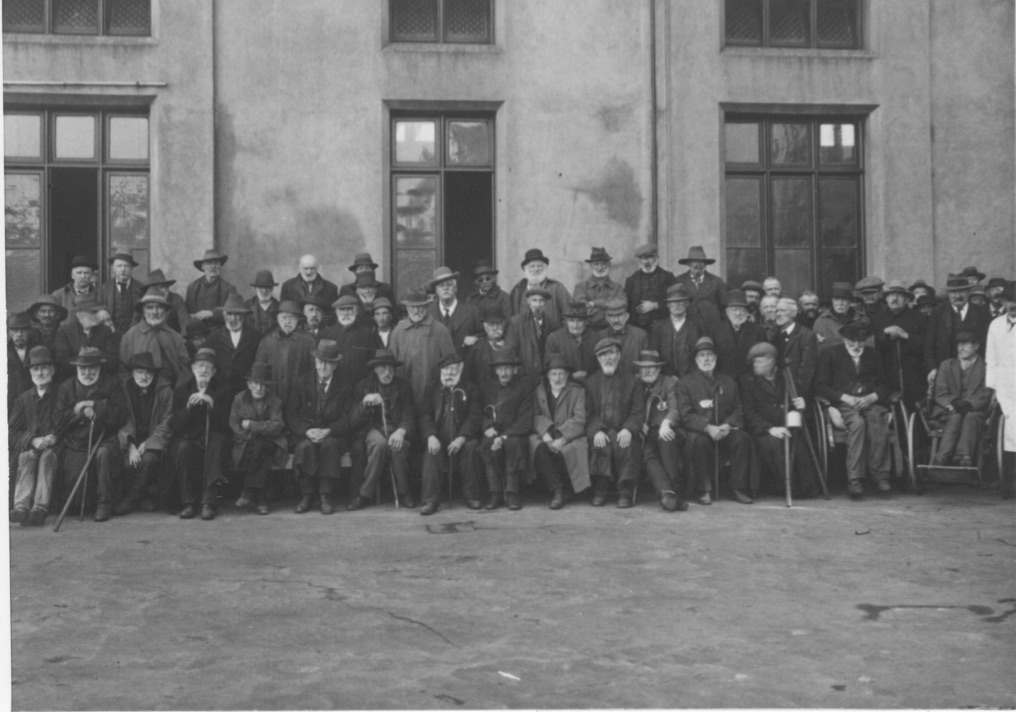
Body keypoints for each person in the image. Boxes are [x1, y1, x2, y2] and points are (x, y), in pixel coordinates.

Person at [814, 321, 892, 498]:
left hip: (869, 402)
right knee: (857, 424)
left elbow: (885, 384)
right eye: (852, 341)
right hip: (844, 403)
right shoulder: (830, 354)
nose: (857, 345)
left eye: (861, 341)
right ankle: (854, 478)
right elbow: (820, 385)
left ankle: (880, 476)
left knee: (877, 421)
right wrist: (844, 398)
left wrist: (872, 397)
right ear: (844, 339)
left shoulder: (873, 354)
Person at [677, 336, 755, 504]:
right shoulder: (686, 383)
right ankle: (703, 490)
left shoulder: (729, 382)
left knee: (742, 439)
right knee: (698, 442)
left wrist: (728, 425)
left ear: (716, 357)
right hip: (701, 431)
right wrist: (707, 427)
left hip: (724, 429)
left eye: (710, 355)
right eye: (702, 355)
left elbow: (738, 409)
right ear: (696, 359)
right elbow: (686, 414)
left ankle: (738, 488)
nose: (706, 359)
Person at [54, 347, 127, 522]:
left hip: (105, 437)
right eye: (83, 368)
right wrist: (78, 411)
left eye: (92, 368)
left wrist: (96, 405)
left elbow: (121, 415)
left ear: (99, 367)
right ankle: (81, 505)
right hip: (77, 441)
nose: (87, 373)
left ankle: (104, 504)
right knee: (75, 479)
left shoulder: (113, 384)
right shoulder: (66, 387)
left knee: (103, 454)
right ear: (77, 368)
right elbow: (58, 419)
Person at [740, 342, 819, 499]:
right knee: (774, 444)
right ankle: (787, 486)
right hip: (763, 430)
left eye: (759, 362)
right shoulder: (748, 381)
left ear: (771, 362)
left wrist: (801, 405)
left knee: (799, 444)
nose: (755, 365)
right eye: (754, 362)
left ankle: (807, 487)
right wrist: (770, 429)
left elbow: (798, 403)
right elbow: (749, 413)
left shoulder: (787, 377)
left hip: (787, 426)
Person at [285, 339, 353, 515]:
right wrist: (307, 431)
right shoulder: (301, 382)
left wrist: (329, 431)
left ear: (335, 366)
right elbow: (291, 415)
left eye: (328, 363)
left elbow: (347, 418)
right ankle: (306, 495)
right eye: (320, 362)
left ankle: (325, 496)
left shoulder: (344, 386)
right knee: (305, 447)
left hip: (332, 434)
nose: (323, 367)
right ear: (315, 362)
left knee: (330, 445)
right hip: (306, 434)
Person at [347, 349, 417, 510]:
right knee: (379, 445)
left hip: (397, 429)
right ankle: (364, 494)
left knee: (398, 447)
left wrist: (401, 431)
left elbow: (409, 415)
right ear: (375, 369)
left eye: (391, 368)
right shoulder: (363, 386)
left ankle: (404, 492)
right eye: (383, 368)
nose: (387, 373)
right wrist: (365, 402)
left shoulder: (404, 387)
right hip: (373, 429)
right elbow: (353, 421)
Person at [168, 348, 232, 520]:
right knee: (183, 448)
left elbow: (228, 424)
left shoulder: (224, 389)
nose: (204, 370)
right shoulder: (182, 390)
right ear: (193, 368)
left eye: (208, 366)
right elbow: (174, 425)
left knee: (216, 446)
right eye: (200, 365)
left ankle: (208, 503)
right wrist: (188, 408)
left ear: (214, 371)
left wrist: (212, 405)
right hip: (191, 438)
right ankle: (188, 502)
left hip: (216, 436)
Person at [418, 354, 482, 515]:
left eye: (453, 370)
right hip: (438, 437)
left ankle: (472, 496)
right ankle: (430, 500)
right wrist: (431, 436)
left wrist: (461, 438)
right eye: (446, 370)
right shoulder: (432, 389)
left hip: (463, 438)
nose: (449, 374)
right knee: (431, 451)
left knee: (471, 447)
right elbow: (425, 416)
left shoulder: (471, 389)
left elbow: (474, 416)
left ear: (460, 371)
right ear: (440, 371)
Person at [584, 338, 645, 508]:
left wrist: (628, 429)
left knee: (627, 445)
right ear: (598, 359)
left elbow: (638, 412)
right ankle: (601, 489)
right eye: (603, 355)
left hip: (623, 429)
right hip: (602, 430)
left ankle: (625, 491)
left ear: (618, 355)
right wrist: (597, 430)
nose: (608, 358)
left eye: (611, 353)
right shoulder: (590, 383)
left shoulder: (633, 381)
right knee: (599, 444)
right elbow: (588, 413)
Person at [113, 352, 173, 516]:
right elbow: (121, 420)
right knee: (128, 463)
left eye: (148, 373)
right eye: (140, 372)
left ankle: (130, 500)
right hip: (130, 440)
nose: (144, 377)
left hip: (155, 440)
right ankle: (143, 498)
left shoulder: (164, 390)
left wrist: (148, 443)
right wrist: (131, 446)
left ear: (154, 374)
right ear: (133, 373)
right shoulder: (124, 389)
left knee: (148, 459)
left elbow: (167, 422)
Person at [9, 346, 61, 527]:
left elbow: (67, 420)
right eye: (36, 369)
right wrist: (32, 439)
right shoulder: (23, 399)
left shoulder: (61, 394)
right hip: (32, 446)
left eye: (44, 368)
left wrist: (54, 435)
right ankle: (21, 507)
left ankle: (40, 508)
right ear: (30, 373)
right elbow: (11, 431)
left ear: (52, 370)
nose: (40, 373)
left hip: (56, 447)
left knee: (47, 457)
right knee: (26, 457)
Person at [531, 354, 589, 509]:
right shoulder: (540, 391)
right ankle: (558, 490)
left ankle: (560, 492)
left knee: (567, 452)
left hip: (570, 437)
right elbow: (534, 415)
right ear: (548, 375)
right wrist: (544, 432)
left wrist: (563, 439)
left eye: (561, 374)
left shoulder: (577, 392)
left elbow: (580, 419)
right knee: (538, 447)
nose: (558, 378)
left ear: (568, 374)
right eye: (554, 374)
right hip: (547, 436)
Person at [478, 350, 534, 511]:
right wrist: (487, 426)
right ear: (496, 370)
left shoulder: (524, 388)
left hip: (514, 433)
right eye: (500, 369)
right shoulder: (487, 388)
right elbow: (481, 412)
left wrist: (504, 437)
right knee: (487, 444)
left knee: (514, 444)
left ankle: (512, 493)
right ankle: (495, 493)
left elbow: (525, 421)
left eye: (508, 368)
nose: (504, 373)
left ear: (515, 370)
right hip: (494, 432)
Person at [229, 362, 287, 515]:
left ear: (268, 387)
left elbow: (277, 426)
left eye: (263, 385)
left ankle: (247, 492)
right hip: (245, 443)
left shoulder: (274, 401)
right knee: (258, 448)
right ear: (249, 384)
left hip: (270, 443)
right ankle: (260, 498)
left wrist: (252, 425)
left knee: (261, 447)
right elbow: (234, 425)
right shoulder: (239, 399)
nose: (259, 388)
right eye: (256, 383)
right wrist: (260, 429)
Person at [634, 350, 688, 512]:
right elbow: (631, 409)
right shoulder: (635, 383)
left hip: (667, 429)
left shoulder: (669, 382)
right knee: (647, 454)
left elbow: (674, 408)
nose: (647, 371)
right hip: (646, 432)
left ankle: (670, 492)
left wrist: (667, 422)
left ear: (658, 369)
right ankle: (669, 494)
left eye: (651, 367)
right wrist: (639, 424)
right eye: (644, 368)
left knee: (666, 440)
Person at [929, 332, 992, 468]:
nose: (961, 348)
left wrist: (965, 404)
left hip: (974, 412)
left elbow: (985, 394)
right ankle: (941, 459)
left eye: (965, 343)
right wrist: (954, 404)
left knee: (969, 417)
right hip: (948, 411)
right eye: (959, 344)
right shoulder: (946, 365)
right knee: (957, 416)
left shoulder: (986, 368)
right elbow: (940, 393)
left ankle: (963, 458)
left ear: (976, 346)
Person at [389, 288, 456, 405]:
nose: (416, 310)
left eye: (420, 306)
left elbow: (451, 364)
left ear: (426, 307)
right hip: (403, 398)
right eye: (412, 307)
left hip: (432, 397)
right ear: (407, 307)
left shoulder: (440, 330)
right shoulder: (398, 332)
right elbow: (391, 364)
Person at [924, 273, 992, 387]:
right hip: (945, 371)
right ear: (948, 293)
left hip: (975, 372)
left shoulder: (981, 313)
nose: (958, 295)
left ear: (968, 292)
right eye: (953, 292)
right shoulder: (938, 312)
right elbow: (929, 343)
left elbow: (987, 344)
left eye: (962, 291)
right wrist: (933, 368)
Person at [872, 279, 927, 408]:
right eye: (891, 295)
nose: (895, 298)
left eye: (899, 295)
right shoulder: (877, 318)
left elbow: (927, 344)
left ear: (907, 299)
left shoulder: (919, 317)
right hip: (886, 373)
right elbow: (870, 343)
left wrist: (906, 336)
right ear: (886, 299)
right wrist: (885, 333)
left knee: (913, 408)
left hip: (913, 374)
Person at [119, 292, 191, 388]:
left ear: (165, 310)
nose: (155, 312)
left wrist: (178, 389)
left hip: (171, 388)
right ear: (143, 311)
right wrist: (132, 389)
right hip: (139, 388)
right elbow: (122, 369)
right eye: (150, 307)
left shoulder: (175, 336)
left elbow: (186, 367)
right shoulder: (130, 336)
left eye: (159, 307)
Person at [985, 281, 1016, 497]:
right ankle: (1007, 481)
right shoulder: (995, 325)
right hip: (1004, 388)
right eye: (1009, 301)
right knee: (1004, 432)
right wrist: (993, 389)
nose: (1013, 305)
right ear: (1003, 302)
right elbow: (991, 359)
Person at [253, 300, 316, 405]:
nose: (288, 321)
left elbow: (313, 372)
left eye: (292, 317)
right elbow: (259, 374)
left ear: (298, 320)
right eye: (284, 317)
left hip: (299, 399)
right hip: (272, 398)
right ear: (277, 319)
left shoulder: (308, 341)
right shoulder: (267, 341)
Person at [206, 293, 263, 400]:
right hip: (220, 396)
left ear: (244, 316)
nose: (233, 318)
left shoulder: (256, 337)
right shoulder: (213, 338)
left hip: (246, 395)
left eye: (237, 314)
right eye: (229, 314)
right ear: (224, 315)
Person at [54, 294, 118, 379]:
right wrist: (91, 357)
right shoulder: (64, 332)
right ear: (80, 314)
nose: (97, 315)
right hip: (73, 379)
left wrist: (95, 353)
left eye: (97, 311)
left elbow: (113, 360)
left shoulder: (105, 330)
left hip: (101, 379)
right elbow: (62, 362)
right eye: (92, 312)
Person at [320, 295, 375, 386]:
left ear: (356, 311)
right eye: (342, 309)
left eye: (349, 309)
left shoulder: (367, 334)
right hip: (335, 387)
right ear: (336, 312)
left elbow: (373, 362)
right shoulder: (327, 333)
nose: (346, 313)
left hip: (360, 386)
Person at [712, 289, 768, 380]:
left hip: (751, 381)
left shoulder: (758, 331)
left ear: (747, 312)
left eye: (742, 310)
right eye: (734, 310)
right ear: (727, 312)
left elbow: (763, 358)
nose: (738, 313)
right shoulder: (716, 330)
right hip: (725, 380)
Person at [428, 266, 483, 356]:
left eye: (449, 284)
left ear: (455, 288)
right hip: (437, 363)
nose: (445, 288)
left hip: (465, 363)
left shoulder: (472, 311)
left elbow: (485, 335)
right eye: (441, 285)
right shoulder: (428, 313)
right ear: (436, 290)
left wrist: (475, 338)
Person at [650, 284, 702, 378]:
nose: (677, 305)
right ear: (668, 305)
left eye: (681, 301)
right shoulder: (659, 327)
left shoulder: (697, 326)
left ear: (687, 303)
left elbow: (700, 354)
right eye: (673, 302)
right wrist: (669, 375)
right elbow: (655, 356)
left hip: (692, 378)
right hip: (666, 378)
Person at [771, 297, 818, 398]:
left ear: (793, 313)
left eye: (782, 310)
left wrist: (796, 394)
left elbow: (807, 370)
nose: (778, 314)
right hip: (776, 390)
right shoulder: (774, 334)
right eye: (777, 311)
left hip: (796, 392)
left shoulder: (806, 335)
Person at [510, 286, 560, 382]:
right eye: (534, 300)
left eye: (541, 301)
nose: (538, 305)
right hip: (524, 377)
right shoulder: (517, 323)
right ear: (528, 302)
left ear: (546, 303)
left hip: (546, 377)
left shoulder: (553, 324)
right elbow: (511, 351)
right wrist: (521, 373)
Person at [507, 248, 571, 323]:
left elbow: (568, 314)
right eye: (532, 266)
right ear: (525, 269)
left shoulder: (557, 288)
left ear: (545, 268)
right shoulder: (518, 290)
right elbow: (511, 317)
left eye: (539, 266)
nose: (536, 269)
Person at [673, 245, 727, 329]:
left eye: (701, 262)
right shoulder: (679, 281)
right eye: (694, 262)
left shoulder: (716, 281)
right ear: (688, 264)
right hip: (687, 326)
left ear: (705, 264)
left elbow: (723, 307)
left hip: (711, 326)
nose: (698, 265)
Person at [624, 243, 675, 330]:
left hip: (662, 327)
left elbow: (676, 300)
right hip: (637, 328)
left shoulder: (668, 277)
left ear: (657, 258)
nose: (647, 261)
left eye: (650, 257)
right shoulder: (631, 280)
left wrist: (656, 305)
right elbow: (627, 305)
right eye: (644, 258)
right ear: (640, 261)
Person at [465, 304, 518, 388]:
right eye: (491, 324)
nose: (495, 328)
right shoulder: (476, 349)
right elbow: (468, 378)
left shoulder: (513, 344)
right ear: (485, 326)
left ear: (503, 324)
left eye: (498, 323)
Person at [545, 302, 599, 383]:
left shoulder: (596, 338)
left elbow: (600, 367)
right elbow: (550, 367)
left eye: (579, 321)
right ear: (566, 321)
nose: (575, 325)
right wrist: (571, 376)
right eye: (571, 321)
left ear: (586, 321)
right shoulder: (554, 339)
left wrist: (589, 375)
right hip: (565, 383)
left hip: (592, 382)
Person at [573, 247, 625, 330]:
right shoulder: (581, 287)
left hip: (611, 330)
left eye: (603, 264)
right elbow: (582, 311)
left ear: (609, 264)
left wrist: (595, 303)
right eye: (596, 264)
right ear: (591, 265)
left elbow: (622, 306)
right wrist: (610, 313)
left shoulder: (617, 287)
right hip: (588, 331)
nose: (600, 267)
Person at [185, 249, 238, 324]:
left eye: (216, 263)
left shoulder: (229, 289)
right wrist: (192, 316)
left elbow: (233, 313)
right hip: (196, 328)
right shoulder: (192, 287)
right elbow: (185, 311)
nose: (213, 266)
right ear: (202, 267)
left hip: (220, 329)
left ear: (220, 266)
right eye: (209, 263)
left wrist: (212, 314)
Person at [280, 254, 340, 318]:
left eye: (312, 268)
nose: (309, 272)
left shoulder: (330, 288)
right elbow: (284, 310)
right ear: (299, 268)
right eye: (306, 268)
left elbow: (332, 313)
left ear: (317, 268)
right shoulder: (288, 286)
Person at [99, 252, 145, 334]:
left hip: (135, 334)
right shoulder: (104, 289)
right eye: (119, 266)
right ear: (113, 268)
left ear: (131, 268)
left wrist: (132, 332)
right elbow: (100, 313)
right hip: (110, 334)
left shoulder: (141, 288)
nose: (123, 269)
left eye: (126, 266)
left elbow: (143, 314)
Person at [134, 269, 190, 334]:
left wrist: (184, 338)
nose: (160, 291)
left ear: (168, 287)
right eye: (155, 288)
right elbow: (135, 322)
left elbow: (184, 322)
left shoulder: (177, 299)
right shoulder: (143, 301)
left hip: (171, 337)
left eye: (162, 287)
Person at [602, 297, 649, 373]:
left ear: (627, 316)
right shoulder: (600, 337)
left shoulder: (641, 336)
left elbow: (646, 364)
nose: (616, 320)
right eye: (612, 316)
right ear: (607, 318)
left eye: (619, 315)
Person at [813, 282, 864, 351]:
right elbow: (817, 350)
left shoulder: (862, 320)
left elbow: (869, 347)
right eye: (836, 299)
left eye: (844, 299)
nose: (840, 303)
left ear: (850, 301)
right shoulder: (821, 322)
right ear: (832, 301)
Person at [51, 254, 98, 322]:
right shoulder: (59, 294)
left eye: (86, 273)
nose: (83, 276)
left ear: (91, 275)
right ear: (72, 275)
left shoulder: (99, 293)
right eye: (79, 273)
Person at [8, 312, 34, 412]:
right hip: (10, 403)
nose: (19, 334)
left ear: (30, 331)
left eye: (23, 330)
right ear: (8, 332)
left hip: (32, 402)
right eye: (15, 330)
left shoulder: (39, 349)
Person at [245, 270, 280, 334]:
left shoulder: (279, 307)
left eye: (267, 287)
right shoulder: (247, 306)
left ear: (272, 288)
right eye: (261, 287)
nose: (264, 291)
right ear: (256, 288)